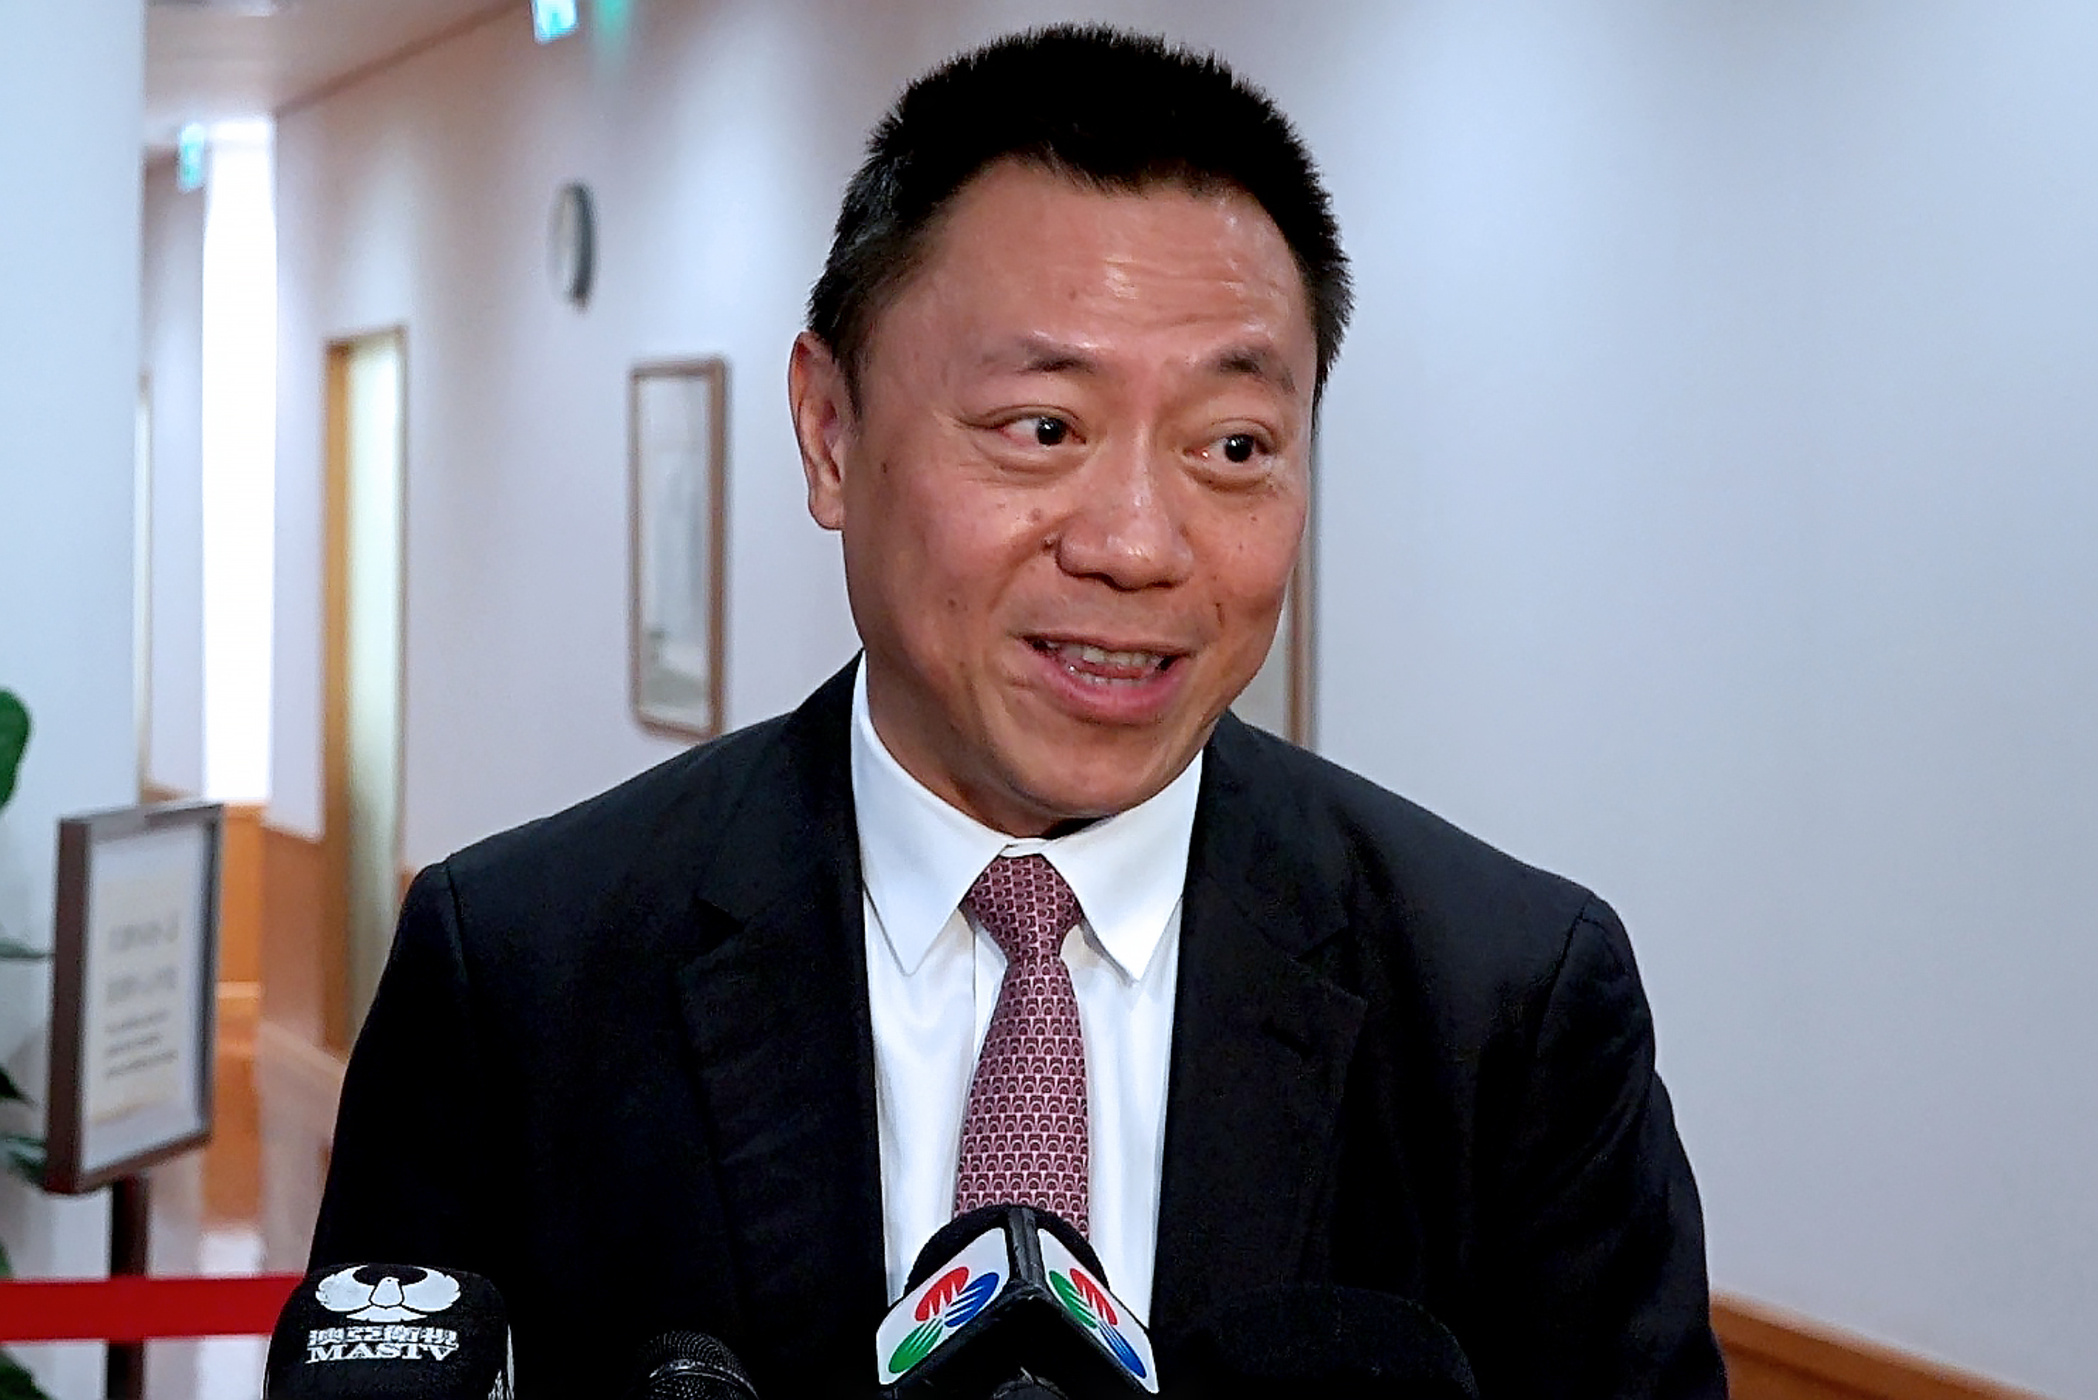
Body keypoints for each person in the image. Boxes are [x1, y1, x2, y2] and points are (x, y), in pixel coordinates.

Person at [311, 25, 1727, 1398]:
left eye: (1234, 446)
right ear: (829, 431)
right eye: (1043, 430)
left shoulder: (1508, 1005)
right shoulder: (522, 973)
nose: (1136, 545)